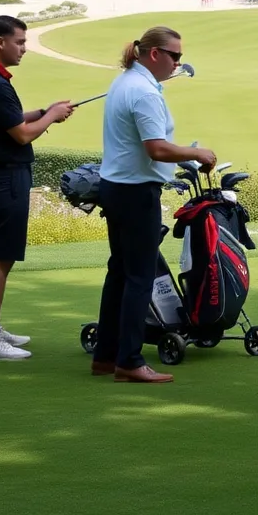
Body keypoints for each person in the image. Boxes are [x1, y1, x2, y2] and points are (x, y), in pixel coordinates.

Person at [92, 26, 216, 384]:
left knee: (120, 272)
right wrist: (196, 152)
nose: (178, 63)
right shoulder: (143, 91)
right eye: (174, 56)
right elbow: (156, 148)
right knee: (138, 276)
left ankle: (106, 355)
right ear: (154, 54)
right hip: (135, 192)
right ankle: (129, 361)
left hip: (117, 187)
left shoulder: (125, 81)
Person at [0, 16, 74, 360]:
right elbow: (22, 134)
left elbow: (12, 119)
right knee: (2, 260)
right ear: (0, 42)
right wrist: (52, 117)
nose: (24, 48)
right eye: (20, 42)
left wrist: (43, 111)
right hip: (7, 178)